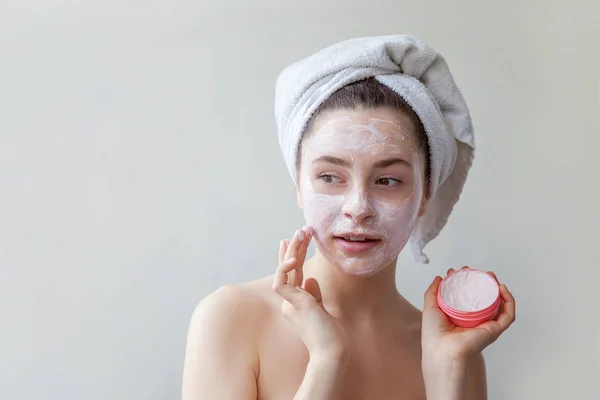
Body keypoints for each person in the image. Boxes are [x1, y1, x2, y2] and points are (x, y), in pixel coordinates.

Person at [182, 35, 515, 400]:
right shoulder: (233, 319)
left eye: (388, 180)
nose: (358, 207)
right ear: (299, 186)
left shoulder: (454, 351)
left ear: (425, 196)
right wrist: (327, 360)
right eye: (329, 177)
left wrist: (446, 377)